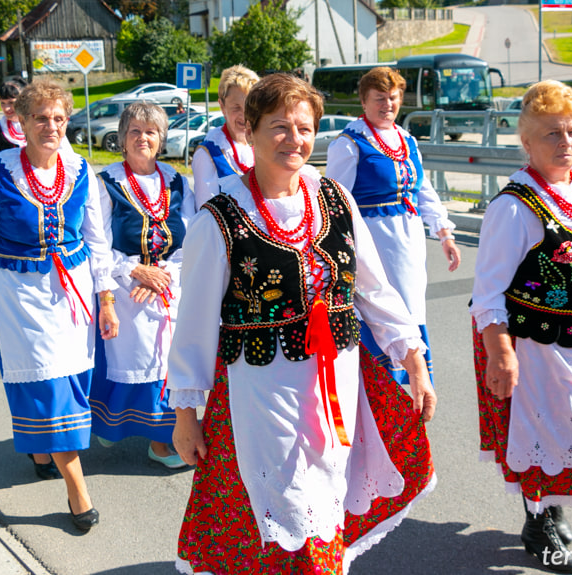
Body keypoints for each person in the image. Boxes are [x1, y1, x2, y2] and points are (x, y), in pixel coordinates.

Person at [169, 73, 437, 573]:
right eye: (279, 127)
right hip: (262, 390)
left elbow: (374, 291)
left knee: (329, 495)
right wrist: (187, 412)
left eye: (304, 127)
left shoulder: (335, 199)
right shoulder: (220, 219)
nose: (295, 139)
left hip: (339, 383)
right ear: (249, 130)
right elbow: (194, 326)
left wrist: (413, 360)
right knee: (288, 506)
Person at [0, 80, 120, 532]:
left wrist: (108, 299)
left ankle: (43, 448)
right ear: (21, 121)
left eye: (59, 118)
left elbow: (98, 242)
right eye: (41, 117)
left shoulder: (81, 169)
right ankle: (77, 488)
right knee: (48, 382)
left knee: (73, 377)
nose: (51, 126)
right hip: (19, 294)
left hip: (73, 292)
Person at [470, 80, 572, 574]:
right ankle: (538, 523)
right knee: (545, 434)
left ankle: (552, 507)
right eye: (551, 135)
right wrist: (501, 353)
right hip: (538, 347)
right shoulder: (514, 207)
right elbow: (488, 294)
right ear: (526, 142)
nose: (565, 143)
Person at [326, 66, 460, 386]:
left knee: (412, 307)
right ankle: (384, 388)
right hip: (373, 240)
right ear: (364, 101)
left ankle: (412, 385)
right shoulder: (349, 144)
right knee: (385, 308)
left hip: (409, 242)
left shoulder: (407, 139)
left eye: (394, 97)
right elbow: (335, 203)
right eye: (379, 99)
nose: (388, 104)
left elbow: (422, 190)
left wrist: (444, 233)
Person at [90, 102, 195, 468]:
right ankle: (123, 428)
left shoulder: (177, 181)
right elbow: (97, 243)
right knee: (133, 357)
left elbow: (192, 238)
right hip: (125, 287)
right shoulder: (105, 183)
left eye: (151, 132)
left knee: (169, 362)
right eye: (134, 131)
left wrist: (163, 274)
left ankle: (159, 441)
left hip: (169, 283)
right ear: (121, 138)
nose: (143, 138)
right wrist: (135, 271)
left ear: (161, 138)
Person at [191, 65, 259, 207]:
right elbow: (206, 214)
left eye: (249, 107)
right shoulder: (208, 154)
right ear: (222, 106)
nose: (244, 115)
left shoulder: (260, 145)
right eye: (236, 107)